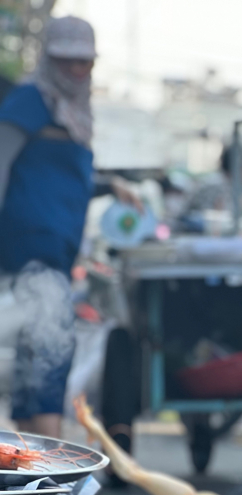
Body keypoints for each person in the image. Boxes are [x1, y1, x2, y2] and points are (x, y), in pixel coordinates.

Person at [0, 16, 138, 439]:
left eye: (85, 63)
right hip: (29, 249)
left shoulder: (73, 112)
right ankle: (51, 469)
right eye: (68, 61)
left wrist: (108, 185)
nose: (77, 71)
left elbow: (57, 178)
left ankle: (29, 465)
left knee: (35, 353)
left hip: (57, 251)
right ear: (49, 59)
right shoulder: (30, 100)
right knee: (49, 350)